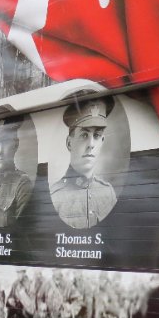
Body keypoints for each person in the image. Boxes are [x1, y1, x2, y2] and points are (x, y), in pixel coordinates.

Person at [50, 97, 117, 229]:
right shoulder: (55, 197)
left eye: (96, 136)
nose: (91, 145)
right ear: (69, 143)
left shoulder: (108, 193)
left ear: (102, 142)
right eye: (84, 135)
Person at [0, 116, 32, 227]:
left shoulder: (22, 184)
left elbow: (20, 230)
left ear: (15, 145)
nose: (0, 151)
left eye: (5, 142)